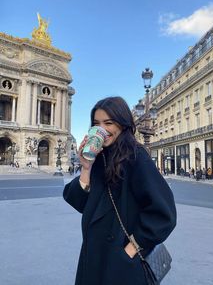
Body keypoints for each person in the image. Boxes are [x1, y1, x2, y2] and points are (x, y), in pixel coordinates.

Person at [63, 96, 177, 285]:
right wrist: (86, 167)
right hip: (94, 255)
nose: (103, 129)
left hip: (119, 261)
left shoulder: (136, 156)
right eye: (96, 123)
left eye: (109, 123)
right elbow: (81, 203)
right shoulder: (100, 157)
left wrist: (131, 249)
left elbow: (164, 213)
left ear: (123, 124)